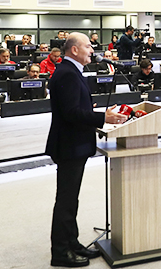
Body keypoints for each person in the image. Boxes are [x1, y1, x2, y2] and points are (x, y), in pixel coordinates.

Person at [45, 33, 125, 267]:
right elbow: (70, 113)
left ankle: (72, 242)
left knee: (71, 200)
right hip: (69, 145)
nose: (92, 50)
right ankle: (60, 252)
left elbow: (74, 107)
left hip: (74, 143)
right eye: (88, 46)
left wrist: (91, 110)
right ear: (74, 50)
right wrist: (102, 117)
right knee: (66, 201)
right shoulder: (68, 73)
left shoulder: (71, 71)